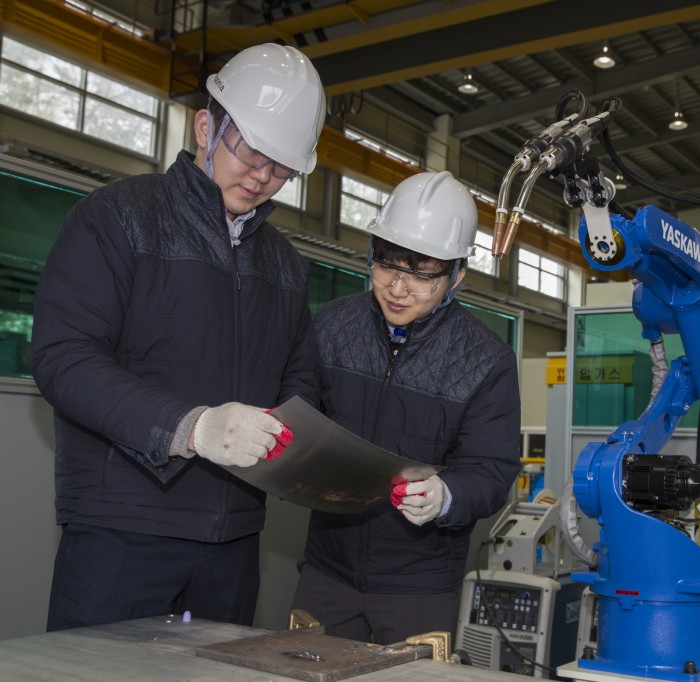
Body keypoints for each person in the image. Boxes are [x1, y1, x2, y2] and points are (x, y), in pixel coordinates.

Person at [29, 43, 327, 631]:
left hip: (234, 539)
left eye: (283, 166)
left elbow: (300, 376)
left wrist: (292, 440)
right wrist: (193, 427)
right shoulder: (116, 218)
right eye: (250, 151)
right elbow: (64, 358)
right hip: (122, 529)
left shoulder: (286, 265)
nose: (262, 176)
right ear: (204, 125)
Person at [291, 170, 522, 644]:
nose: (398, 287)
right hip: (326, 572)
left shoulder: (486, 361)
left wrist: (448, 496)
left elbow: (492, 471)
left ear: (457, 274)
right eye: (387, 264)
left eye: (422, 273)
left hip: (419, 588)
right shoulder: (334, 327)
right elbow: (297, 413)